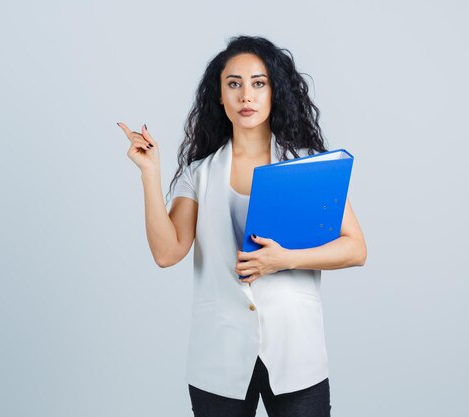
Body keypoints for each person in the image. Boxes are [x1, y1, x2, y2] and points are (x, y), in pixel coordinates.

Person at [117, 35, 366, 417]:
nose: (245, 95)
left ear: (274, 92)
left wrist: (284, 259)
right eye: (233, 84)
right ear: (219, 96)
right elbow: (168, 253)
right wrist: (151, 174)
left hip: (296, 355)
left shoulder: (308, 166)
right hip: (219, 358)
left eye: (258, 83)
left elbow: (355, 249)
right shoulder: (198, 174)